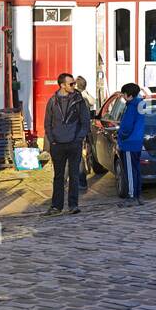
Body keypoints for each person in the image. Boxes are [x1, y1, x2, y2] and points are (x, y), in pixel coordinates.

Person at [44, 73, 90, 216]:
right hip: (57, 144)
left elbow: (85, 121)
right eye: (71, 84)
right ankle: (56, 206)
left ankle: (73, 205)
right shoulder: (53, 101)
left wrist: (79, 138)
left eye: (74, 83)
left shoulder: (79, 100)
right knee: (58, 176)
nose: (74, 86)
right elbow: (47, 123)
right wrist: (52, 140)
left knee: (74, 175)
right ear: (62, 85)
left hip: (74, 143)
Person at [117, 82, 147, 206]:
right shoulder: (142, 104)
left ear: (129, 95)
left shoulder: (131, 106)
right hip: (138, 141)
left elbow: (127, 126)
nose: (123, 97)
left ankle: (131, 196)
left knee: (129, 170)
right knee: (136, 169)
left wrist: (121, 136)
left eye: (124, 94)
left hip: (129, 143)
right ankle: (138, 195)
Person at [74, 76, 96, 191]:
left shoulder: (79, 97)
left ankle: (80, 181)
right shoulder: (84, 95)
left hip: (78, 131)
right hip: (83, 130)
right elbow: (93, 103)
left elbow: (92, 103)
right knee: (79, 156)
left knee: (77, 157)